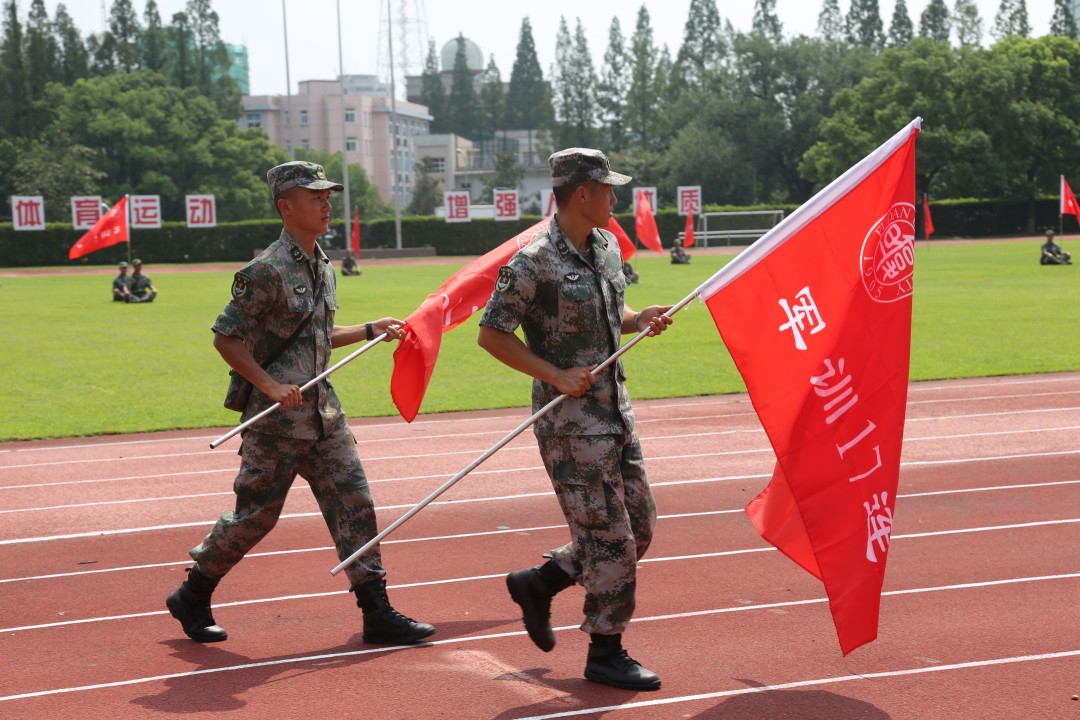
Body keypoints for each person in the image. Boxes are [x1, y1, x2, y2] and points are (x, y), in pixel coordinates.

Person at [166, 161, 435, 646]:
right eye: (316, 197)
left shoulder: (322, 264)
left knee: (355, 503)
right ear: (286, 206)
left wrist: (368, 329)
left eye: (328, 196)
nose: (326, 204)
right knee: (255, 517)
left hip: (323, 414)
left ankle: (376, 612)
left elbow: (318, 334)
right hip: (277, 421)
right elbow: (227, 338)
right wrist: (269, 385)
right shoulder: (265, 270)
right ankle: (193, 591)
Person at [477, 148, 672, 691]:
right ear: (581, 193)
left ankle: (542, 581)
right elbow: (492, 334)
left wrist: (638, 319)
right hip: (571, 425)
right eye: (607, 189)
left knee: (639, 527)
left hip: (614, 411)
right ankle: (606, 651)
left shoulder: (606, 246)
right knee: (611, 538)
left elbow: (611, 313)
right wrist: (554, 374)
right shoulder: (533, 262)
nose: (614, 198)